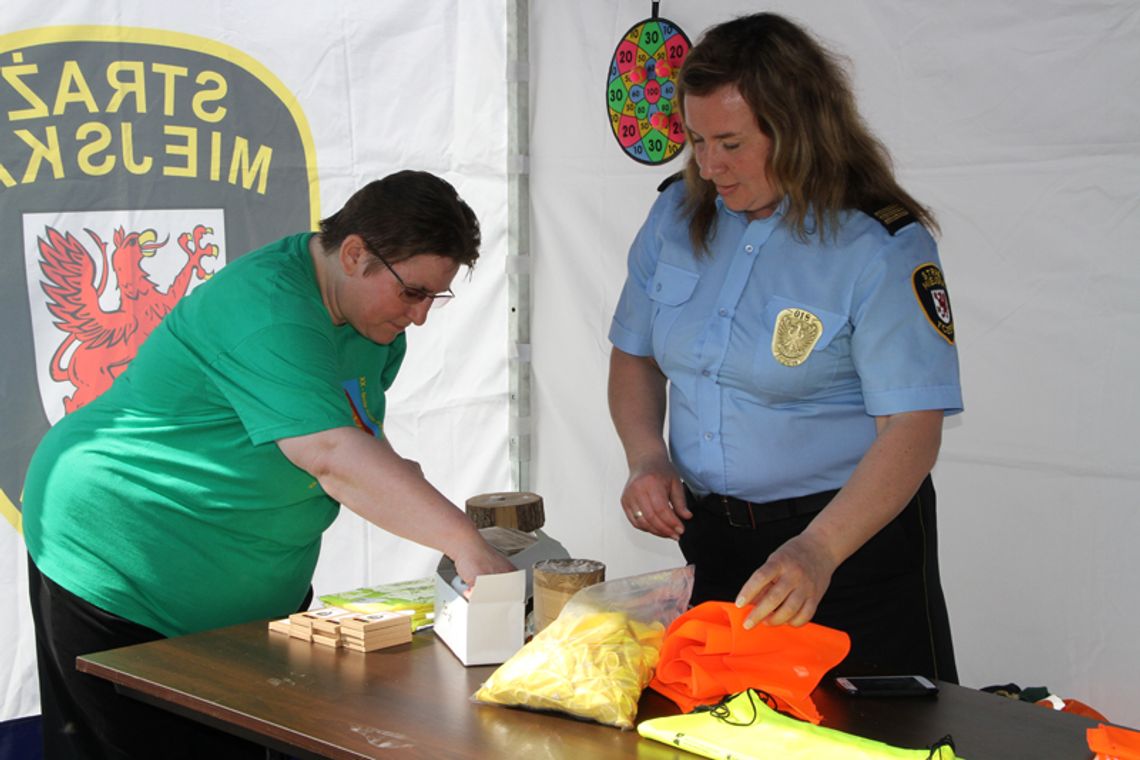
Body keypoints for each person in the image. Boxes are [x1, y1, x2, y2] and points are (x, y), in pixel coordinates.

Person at [22, 169, 517, 759]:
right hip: (119, 562)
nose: (420, 317)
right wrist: (463, 541)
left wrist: (397, 478)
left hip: (240, 595)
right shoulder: (271, 307)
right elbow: (330, 455)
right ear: (354, 254)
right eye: (412, 292)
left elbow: (351, 435)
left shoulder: (375, 327)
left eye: (435, 297)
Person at [608, 13, 962, 682]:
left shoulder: (879, 245)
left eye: (731, 143)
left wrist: (819, 549)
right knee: (714, 723)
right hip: (713, 543)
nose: (709, 165)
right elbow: (635, 353)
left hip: (846, 551)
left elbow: (913, 427)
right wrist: (646, 456)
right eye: (696, 140)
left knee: (872, 732)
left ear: (798, 130)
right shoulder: (674, 215)